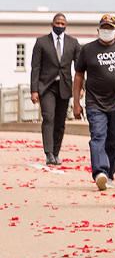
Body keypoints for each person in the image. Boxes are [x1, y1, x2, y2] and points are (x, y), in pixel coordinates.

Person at [73, 14, 115, 190]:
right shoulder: (87, 50)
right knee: (98, 136)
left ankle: (109, 174)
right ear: (98, 30)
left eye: (110, 28)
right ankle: (100, 172)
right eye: (104, 28)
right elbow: (79, 75)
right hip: (95, 103)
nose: (107, 31)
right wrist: (77, 102)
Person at [30, 13, 80, 165]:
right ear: (52, 24)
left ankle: (56, 153)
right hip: (46, 86)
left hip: (64, 86)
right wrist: (34, 90)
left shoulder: (73, 42)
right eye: (57, 23)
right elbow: (35, 67)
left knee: (60, 122)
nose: (59, 26)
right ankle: (49, 153)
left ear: (66, 26)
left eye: (62, 24)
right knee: (49, 117)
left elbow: (79, 68)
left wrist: (80, 88)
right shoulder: (41, 42)